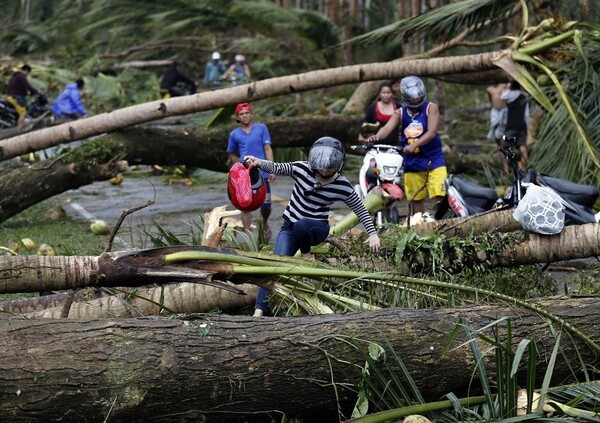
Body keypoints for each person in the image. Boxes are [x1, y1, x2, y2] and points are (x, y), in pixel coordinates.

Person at [244, 136, 381, 317]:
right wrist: (258, 162)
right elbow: (278, 167)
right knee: (273, 266)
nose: (323, 171)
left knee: (303, 224)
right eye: (321, 167)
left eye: (329, 168)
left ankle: (307, 253)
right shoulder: (302, 168)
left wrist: (372, 233)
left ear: (338, 165)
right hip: (290, 228)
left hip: (317, 229)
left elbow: (360, 208)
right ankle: (259, 312)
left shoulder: (342, 185)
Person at [368, 75, 447, 216]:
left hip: (434, 160)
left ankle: (442, 221)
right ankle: (420, 226)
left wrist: (415, 144)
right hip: (413, 162)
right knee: (416, 198)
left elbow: (432, 132)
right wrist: (377, 136)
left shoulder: (431, 108)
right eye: (412, 98)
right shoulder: (400, 112)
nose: (416, 100)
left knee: (440, 194)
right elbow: (387, 128)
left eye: (418, 97)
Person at [227, 102, 275, 240]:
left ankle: (264, 223)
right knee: (245, 204)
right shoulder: (234, 134)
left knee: (266, 205)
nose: (245, 116)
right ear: (237, 117)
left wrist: (271, 168)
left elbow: (267, 148)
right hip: (245, 175)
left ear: (251, 114)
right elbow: (232, 153)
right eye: (241, 114)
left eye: (247, 113)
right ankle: (248, 235)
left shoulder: (261, 128)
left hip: (262, 171)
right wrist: (238, 170)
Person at [501, 79, 529, 170]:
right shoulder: (524, 96)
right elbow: (526, 114)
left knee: (505, 147)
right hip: (522, 124)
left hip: (511, 125)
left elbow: (502, 96)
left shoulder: (509, 95)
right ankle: (523, 167)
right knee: (522, 146)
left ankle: (506, 168)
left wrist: (506, 87)